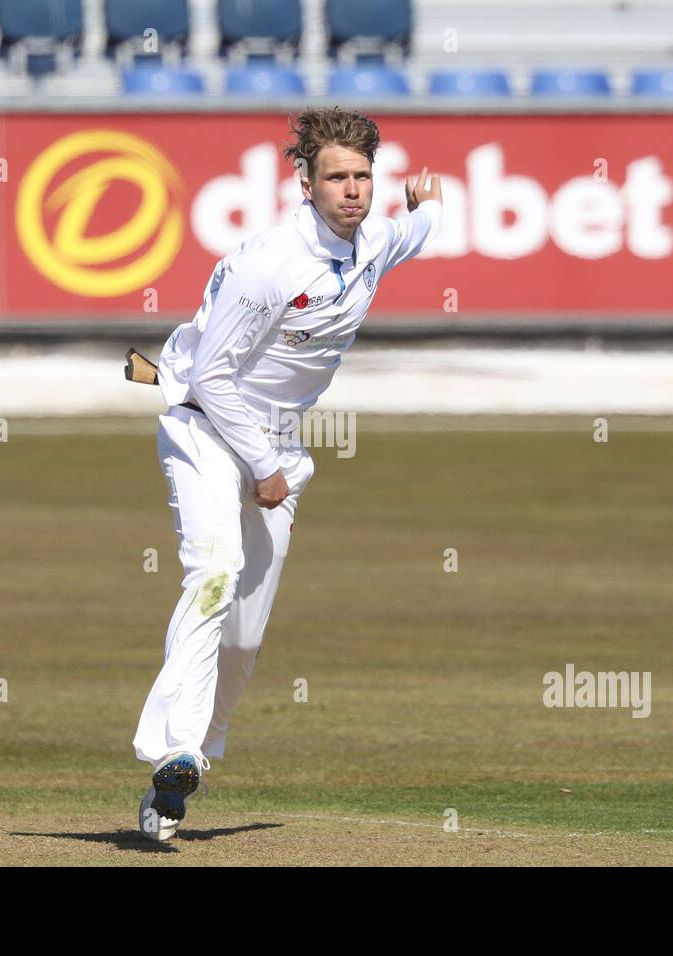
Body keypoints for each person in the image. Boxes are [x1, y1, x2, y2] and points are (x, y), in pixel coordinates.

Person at [134, 107, 443, 841]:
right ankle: (169, 746)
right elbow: (212, 375)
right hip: (208, 429)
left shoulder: (373, 242)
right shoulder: (268, 264)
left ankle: (183, 774)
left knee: (243, 638)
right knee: (213, 572)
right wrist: (264, 466)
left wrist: (428, 206)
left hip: (279, 447)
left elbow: (416, 230)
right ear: (304, 181)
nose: (353, 189)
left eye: (364, 176)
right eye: (336, 176)